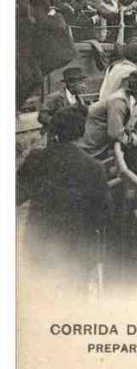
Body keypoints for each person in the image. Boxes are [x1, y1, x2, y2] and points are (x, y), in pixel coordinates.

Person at [17, 106, 112, 279]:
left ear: (55, 130)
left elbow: (16, 196)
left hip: (39, 246)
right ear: (82, 132)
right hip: (76, 252)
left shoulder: (36, 158)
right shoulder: (94, 168)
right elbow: (102, 215)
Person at [77, 69, 137, 158]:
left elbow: (127, 126)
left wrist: (132, 134)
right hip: (89, 147)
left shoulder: (132, 101)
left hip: (99, 144)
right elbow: (115, 133)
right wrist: (131, 141)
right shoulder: (118, 102)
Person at [37, 67, 88, 143]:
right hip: (54, 137)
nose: (84, 86)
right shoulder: (55, 97)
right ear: (71, 84)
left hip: (71, 137)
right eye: (81, 83)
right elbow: (41, 116)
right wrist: (57, 122)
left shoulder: (79, 99)